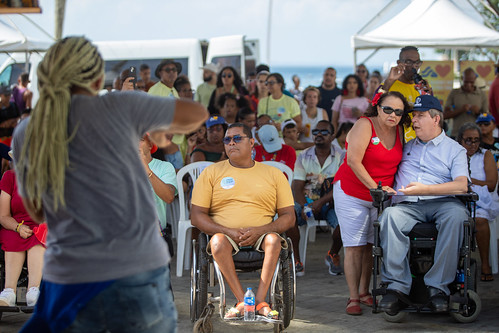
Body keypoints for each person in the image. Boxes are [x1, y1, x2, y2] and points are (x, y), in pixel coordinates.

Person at [12, 37, 208, 332]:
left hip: (70, 275)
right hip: (137, 271)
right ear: (97, 78)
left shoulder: (27, 130)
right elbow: (196, 114)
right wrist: (157, 125)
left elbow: (37, 211)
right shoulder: (120, 106)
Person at [190, 123, 295, 320]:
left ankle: (262, 301)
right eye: (227, 140)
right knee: (217, 242)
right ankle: (241, 301)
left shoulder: (273, 174)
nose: (231, 143)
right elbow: (196, 216)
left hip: (262, 234)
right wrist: (227, 231)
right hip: (225, 235)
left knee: (274, 240)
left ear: (252, 142)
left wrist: (261, 230)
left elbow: (289, 216)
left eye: (237, 138)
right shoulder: (211, 173)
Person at [378, 95, 469, 315]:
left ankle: (437, 288)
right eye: (414, 116)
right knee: (389, 216)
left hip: (443, 203)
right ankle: (396, 287)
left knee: (457, 216)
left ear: (436, 119)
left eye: (420, 116)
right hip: (408, 205)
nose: (414, 121)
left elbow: (462, 185)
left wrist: (425, 190)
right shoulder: (407, 146)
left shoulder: (454, 149)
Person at [333, 91, 410, 315]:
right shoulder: (364, 125)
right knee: (354, 245)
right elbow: (353, 161)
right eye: (388, 109)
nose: (393, 114)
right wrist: (375, 188)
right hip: (352, 192)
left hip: (380, 197)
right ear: (377, 107)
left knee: (370, 246)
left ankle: (365, 292)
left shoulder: (400, 130)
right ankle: (353, 297)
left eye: (398, 111)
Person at [291, 120, 343, 276]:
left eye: (324, 132)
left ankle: (333, 253)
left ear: (333, 136)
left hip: (332, 204)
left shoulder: (342, 156)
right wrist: (305, 206)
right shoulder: (304, 156)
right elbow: (296, 186)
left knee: (347, 223)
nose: (318, 135)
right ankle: (296, 261)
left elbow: (341, 187)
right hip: (306, 204)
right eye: (315, 132)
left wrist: (320, 202)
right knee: (288, 217)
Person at [457, 123, 497, 282]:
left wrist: (467, 181)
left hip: (480, 200)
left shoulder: (485, 155)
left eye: (476, 140)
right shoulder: (455, 154)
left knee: (480, 220)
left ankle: (485, 264)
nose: (473, 144)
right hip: (458, 197)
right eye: (468, 140)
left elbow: (492, 184)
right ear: (460, 140)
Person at [0, 168, 45, 307]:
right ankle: (8, 291)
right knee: (11, 237)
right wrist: (18, 227)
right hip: (15, 225)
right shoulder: (10, 177)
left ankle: (33, 290)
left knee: (40, 236)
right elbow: (3, 216)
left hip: (42, 224)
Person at [382, 46, 432, 143]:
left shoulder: (423, 86)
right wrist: (388, 82)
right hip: (393, 142)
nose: (414, 67)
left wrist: (429, 98)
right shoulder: (389, 85)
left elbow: (432, 114)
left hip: (418, 143)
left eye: (417, 62)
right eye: (409, 62)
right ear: (399, 63)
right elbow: (374, 108)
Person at [139, 134, 178, 256]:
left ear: (150, 144)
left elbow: (169, 197)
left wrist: (147, 170)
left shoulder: (164, 167)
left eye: (139, 139)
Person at [444, 68, 489, 138]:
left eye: (471, 82)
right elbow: (445, 115)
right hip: (457, 134)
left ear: (475, 79)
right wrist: (461, 110)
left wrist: (478, 113)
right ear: (462, 79)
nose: (468, 85)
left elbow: (487, 117)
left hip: (475, 136)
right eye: (466, 82)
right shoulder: (454, 93)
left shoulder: (482, 94)